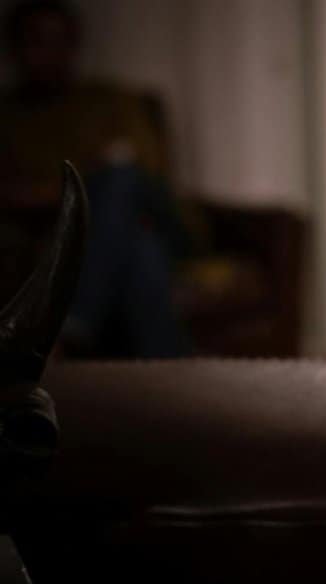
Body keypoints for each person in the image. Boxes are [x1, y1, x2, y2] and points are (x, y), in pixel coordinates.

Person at [0, 0, 188, 357]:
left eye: (60, 42)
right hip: (76, 236)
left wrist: (66, 189)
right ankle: (174, 378)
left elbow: (143, 171)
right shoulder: (9, 118)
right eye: (37, 41)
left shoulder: (109, 100)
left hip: (161, 219)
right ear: (15, 48)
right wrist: (82, 183)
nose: (50, 54)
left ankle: (74, 323)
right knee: (140, 249)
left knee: (120, 181)